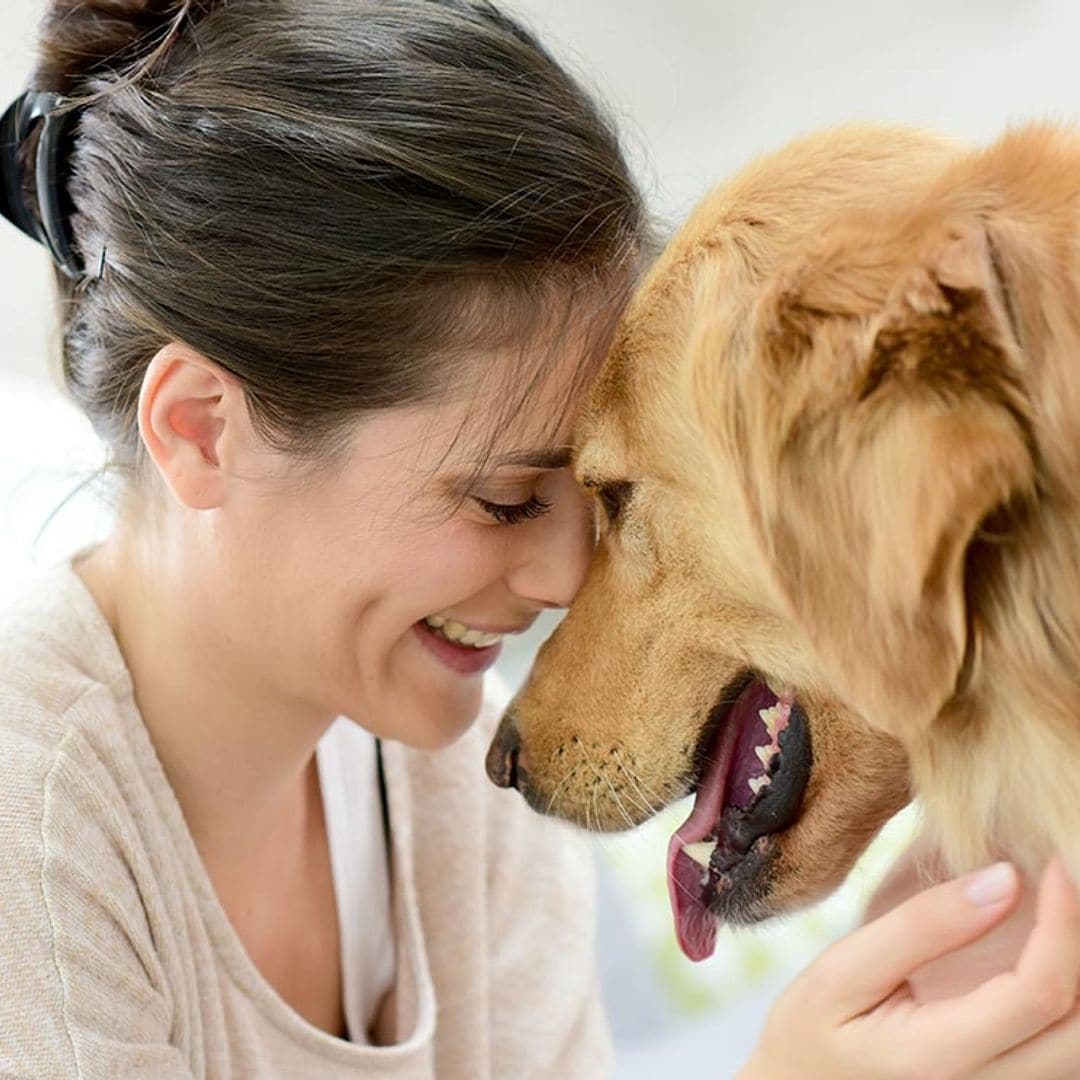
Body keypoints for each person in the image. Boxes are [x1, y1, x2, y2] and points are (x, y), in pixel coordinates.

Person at [0, 1, 1077, 1076]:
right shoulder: (30, 833)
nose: (568, 577)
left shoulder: (452, 801)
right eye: (505, 500)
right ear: (202, 431)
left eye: (595, 495)